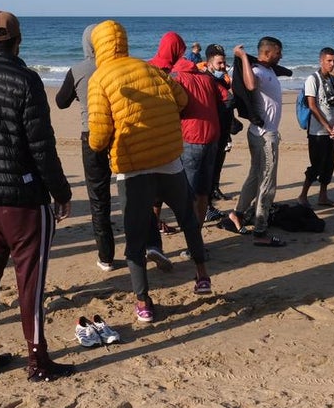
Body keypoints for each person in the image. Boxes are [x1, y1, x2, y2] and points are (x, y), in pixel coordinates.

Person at [0, 11, 75, 382]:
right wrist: (61, 191)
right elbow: (41, 144)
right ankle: (37, 360)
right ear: (18, 39)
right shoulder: (26, 80)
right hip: (22, 197)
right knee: (30, 280)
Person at [88, 20, 212, 322]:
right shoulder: (151, 70)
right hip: (170, 159)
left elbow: (99, 136)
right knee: (187, 219)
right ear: (125, 42)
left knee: (135, 236)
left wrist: (101, 142)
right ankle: (202, 275)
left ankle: (143, 302)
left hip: (133, 169)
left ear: (97, 46)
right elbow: (182, 100)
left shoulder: (100, 78)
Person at [55, 24, 116, 272]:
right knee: (132, 191)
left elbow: (60, 102)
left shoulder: (78, 70)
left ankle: (106, 256)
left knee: (99, 197)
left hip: (91, 135)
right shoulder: (117, 66)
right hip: (120, 133)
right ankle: (141, 248)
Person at [150, 31, 226, 227]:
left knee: (184, 190)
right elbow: (225, 98)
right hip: (212, 137)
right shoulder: (206, 78)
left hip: (190, 137)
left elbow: (172, 105)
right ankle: (197, 233)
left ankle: (181, 234)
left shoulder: (175, 78)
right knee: (202, 191)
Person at [225, 37, 286, 247]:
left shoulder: (267, 69)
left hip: (260, 133)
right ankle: (260, 230)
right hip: (264, 135)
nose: (281, 56)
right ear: (268, 53)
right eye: (279, 53)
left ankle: (238, 214)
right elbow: (250, 84)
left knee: (254, 177)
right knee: (267, 182)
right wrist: (242, 56)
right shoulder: (257, 71)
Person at [298, 47, 334, 208]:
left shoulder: (331, 79)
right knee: (316, 165)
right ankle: (303, 195)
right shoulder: (312, 79)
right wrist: (326, 125)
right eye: (329, 61)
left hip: (330, 130)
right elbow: (312, 106)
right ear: (321, 61)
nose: (332, 64)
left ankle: (323, 196)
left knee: (329, 164)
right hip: (317, 131)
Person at [199, 43, 236, 204]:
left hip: (224, 127)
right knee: (208, 166)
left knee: (219, 161)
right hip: (212, 130)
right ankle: (207, 200)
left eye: (224, 62)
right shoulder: (205, 80)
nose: (223, 66)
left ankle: (215, 188)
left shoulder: (223, 79)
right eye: (219, 63)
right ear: (208, 63)